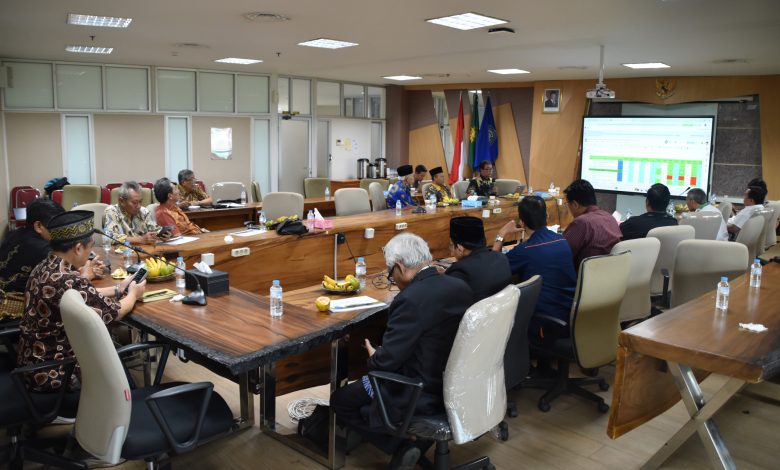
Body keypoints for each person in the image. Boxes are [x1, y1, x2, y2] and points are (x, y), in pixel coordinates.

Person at [330, 233, 472, 469]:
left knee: (341, 400)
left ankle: (404, 443)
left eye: (390, 273)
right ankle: (413, 440)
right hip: (455, 383)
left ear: (400, 267)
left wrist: (375, 356)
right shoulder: (460, 286)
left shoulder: (410, 300)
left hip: (419, 390)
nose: (392, 279)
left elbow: (386, 362)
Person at [16, 210, 146, 393]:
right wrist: (133, 294)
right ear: (78, 248)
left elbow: (79, 294)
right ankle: (130, 410)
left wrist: (119, 289)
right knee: (113, 362)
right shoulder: (67, 279)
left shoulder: (46, 266)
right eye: (89, 247)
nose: (91, 252)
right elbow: (115, 312)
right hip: (57, 373)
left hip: (34, 364)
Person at [0, 200, 106, 321]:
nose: (60, 229)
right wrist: (88, 273)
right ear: (38, 226)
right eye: (55, 225)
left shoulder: (13, 234)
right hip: (20, 309)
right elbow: (68, 284)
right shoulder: (43, 249)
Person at [492, 196, 577, 342]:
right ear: (547, 216)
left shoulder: (525, 250)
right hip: (571, 318)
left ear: (522, 223)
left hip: (544, 325)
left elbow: (492, 269)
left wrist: (501, 235)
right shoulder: (562, 240)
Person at [445, 216, 511, 303]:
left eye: (451, 246)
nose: (451, 253)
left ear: (460, 248)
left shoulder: (460, 272)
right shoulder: (502, 258)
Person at [562, 179, 621, 271]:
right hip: (610, 277)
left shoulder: (582, 222)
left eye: (567, 204)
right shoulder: (610, 218)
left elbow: (562, 253)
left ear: (575, 205)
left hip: (584, 280)